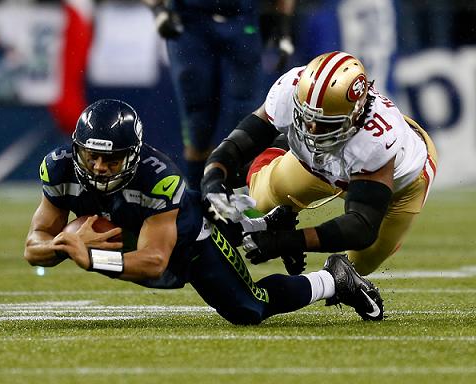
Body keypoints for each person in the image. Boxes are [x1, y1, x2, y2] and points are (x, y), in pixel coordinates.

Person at [24, 98, 384, 324]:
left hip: (188, 240)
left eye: (111, 158)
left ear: (132, 155)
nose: (100, 167)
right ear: (77, 150)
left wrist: (91, 258)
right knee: (224, 221)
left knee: (249, 309)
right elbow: (33, 245)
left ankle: (333, 279)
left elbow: (155, 260)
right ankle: (262, 225)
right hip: (141, 231)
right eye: (92, 156)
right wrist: (61, 245)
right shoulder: (59, 169)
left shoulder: (158, 177)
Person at [200, 51, 438, 277]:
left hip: (398, 188)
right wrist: (212, 178)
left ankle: (282, 153)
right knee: (261, 197)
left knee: (358, 264)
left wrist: (283, 243)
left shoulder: (377, 138)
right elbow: (240, 143)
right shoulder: (291, 87)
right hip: (323, 166)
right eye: (307, 118)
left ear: (355, 115)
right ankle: (281, 183)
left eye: (325, 124)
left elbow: (361, 227)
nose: (311, 130)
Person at [142, 0, 294, 190]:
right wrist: (158, 8)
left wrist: (282, 22)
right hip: (190, 20)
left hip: (241, 17)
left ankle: (241, 200)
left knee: (246, 120)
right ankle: (199, 201)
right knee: (198, 122)